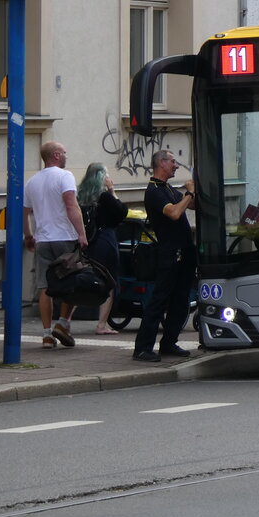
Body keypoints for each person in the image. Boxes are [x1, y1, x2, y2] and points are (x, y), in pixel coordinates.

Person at [23, 141, 88, 349]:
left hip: (43, 240)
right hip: (64, 237)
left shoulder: (31, 182)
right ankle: (63, 323)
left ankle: (46, 334)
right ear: (57, 155)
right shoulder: (65, 176)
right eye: (65, 152)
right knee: (72, 282)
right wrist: (81, 233)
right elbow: (71, 204)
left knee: (45, 286)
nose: (67, 155)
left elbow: (24, 213)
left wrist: (29, 236)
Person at [133, 150, 197, 362]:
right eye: (173, 161)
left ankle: (169, 342)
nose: (176, 166)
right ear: (161, 163)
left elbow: (191, 205)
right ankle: (142, 347)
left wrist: (196, 192)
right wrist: (189, 193)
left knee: (181, 300)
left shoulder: (168, 188)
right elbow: (174, 213)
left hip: (184, 252)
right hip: (170, 254)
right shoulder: (154, 191)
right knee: (159, 300)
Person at [78, 162, 128, 334]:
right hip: (105, 240)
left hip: (87, 241)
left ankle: (66, 321)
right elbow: (122, 212)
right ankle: (101, 324)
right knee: (109, 280)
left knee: (84, 278)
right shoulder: (104, 197)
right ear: (102, 177)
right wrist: (113, 191)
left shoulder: (80, 195)